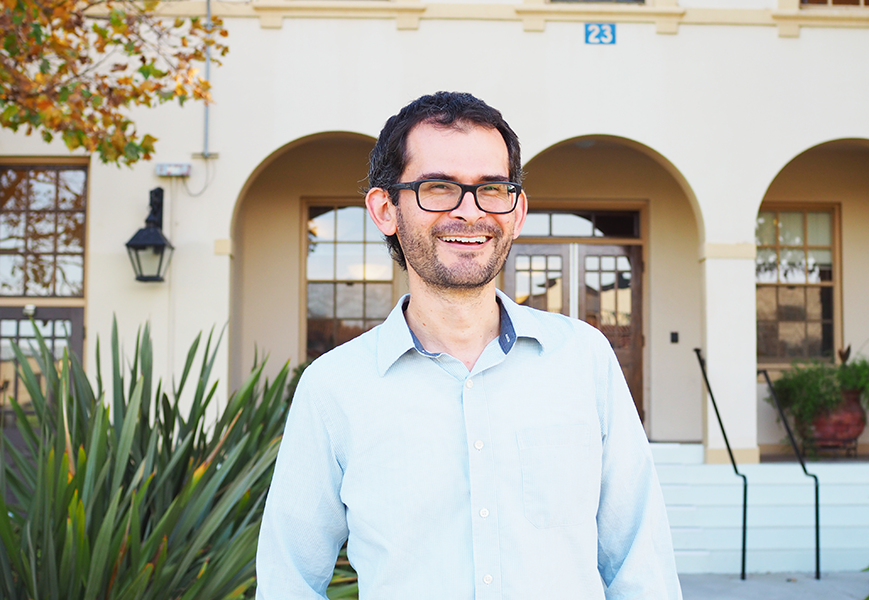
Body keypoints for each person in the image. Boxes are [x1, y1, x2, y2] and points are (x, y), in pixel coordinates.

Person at [256, 91, 682, 599]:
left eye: (492, 188)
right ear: (385, 209)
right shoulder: (334, 388)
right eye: (438, 187)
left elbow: (641, 566)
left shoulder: (584, 360)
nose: (470, 211)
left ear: (517, 210)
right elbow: (291, 582)